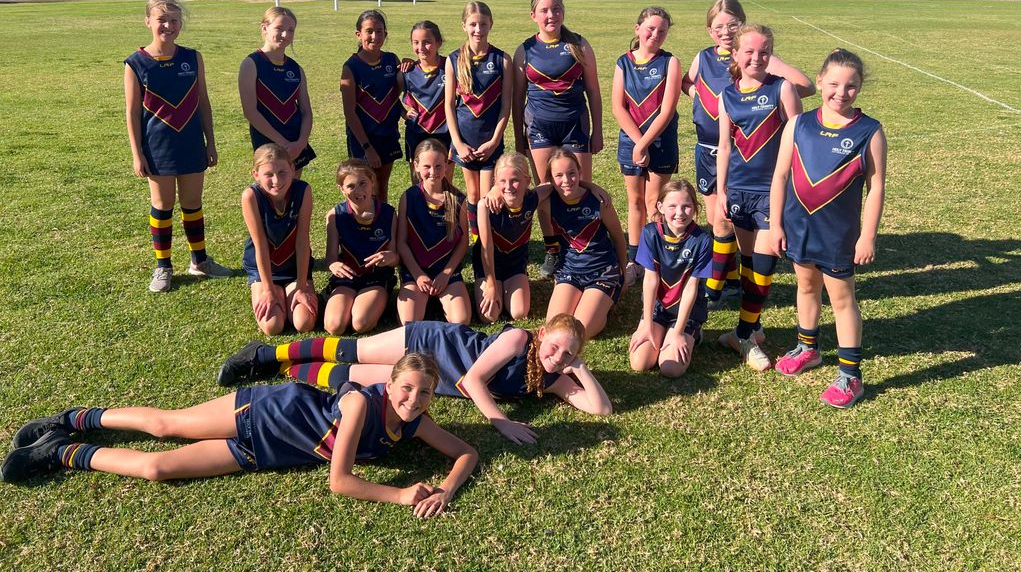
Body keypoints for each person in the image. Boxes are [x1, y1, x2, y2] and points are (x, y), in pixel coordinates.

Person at [2, 354, 477, 518]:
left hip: (265, 453)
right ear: (389, 385)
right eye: (406, 388)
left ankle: (60, 451)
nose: (414, 399)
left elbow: (467, 453)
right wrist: (399, 494)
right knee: (167, 425)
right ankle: (74, 418)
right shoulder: (359, 405)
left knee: (157, 468)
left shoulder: (416, 421)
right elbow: (340, 482)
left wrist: (446, 489)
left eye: (424, 393)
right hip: (261, 413)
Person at [216, 312, 612, 445]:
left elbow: (601, 409)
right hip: (434, 343)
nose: (557, 357)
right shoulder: (517, 340)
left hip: (435, 378)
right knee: (353, 350)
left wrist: (579, 368)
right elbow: (473, 381)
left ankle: (284, 369)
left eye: (568, 354)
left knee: (347, 375)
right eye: (555, 347)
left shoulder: (554, 377)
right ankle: (265, 354)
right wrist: (501, 422)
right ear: (541, 333)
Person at [768, 49, 887, 409]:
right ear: (819, 81)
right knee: (806, 286)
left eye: (851, 86)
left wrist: (867, 236)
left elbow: (876, 187)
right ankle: (808, 348)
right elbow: (780, 176)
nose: (841, 92)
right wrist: (775, 225)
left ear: (859, 87)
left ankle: (851, 375)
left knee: (842, 299)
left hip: (838, 235)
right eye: (834, 84)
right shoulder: (798, 124)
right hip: (799, 226)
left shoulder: (869, 131)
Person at [683, 0, 814, 306]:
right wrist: (698, 96)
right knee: (720, 220)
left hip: (754, 164)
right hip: (712, 152)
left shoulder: (760, 59)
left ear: (741, 25)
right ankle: (727, 281)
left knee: (732, 226)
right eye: (719, 26)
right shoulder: (704, 58)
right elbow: (689, 84)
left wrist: (772, 98)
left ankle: (725, 288)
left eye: (732, 25)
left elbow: (804, 87)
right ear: (710, 30)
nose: (726, 31)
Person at [123, 0, 231, 293]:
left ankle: (200, 261)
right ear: (148, 21)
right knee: (162, 206)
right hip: (157, 147)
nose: (168, 26)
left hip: (191, 143)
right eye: (161, 20)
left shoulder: (192, 57)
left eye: (174, 20)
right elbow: (132, 113)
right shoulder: (136, 63)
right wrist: (137, 153)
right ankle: (163, 267)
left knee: (193, 204)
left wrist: (210, 142)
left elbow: (203, 102)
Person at [715, 25, 802, 371]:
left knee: (765, 264)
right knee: (749, 261)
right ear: (735, 54)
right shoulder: (727, 96)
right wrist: (722, 190)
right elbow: (724, 146)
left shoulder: (782, 88)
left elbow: (800, 140)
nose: (757, 58)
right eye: (749, 52)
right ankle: (752, 326)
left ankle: (742, 334)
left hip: (772, 191)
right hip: (739, 188)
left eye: (764, 51)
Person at [513, 0, 604, 279]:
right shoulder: (524, 50)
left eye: (556, 9)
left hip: (575, 125)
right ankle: (553, 250)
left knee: (580, 187)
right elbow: (517, 98)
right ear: (533, 16)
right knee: (546, 190)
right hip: (540, 128)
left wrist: (598, 131)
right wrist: (519, 138)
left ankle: (583, 245)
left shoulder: (578, 44)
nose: (551, 15)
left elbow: (593, 91)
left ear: (563, 12)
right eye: (544, 10)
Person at [610, 6, 682, 288]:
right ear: (637, 29)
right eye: (650, 29)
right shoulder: (623, 62)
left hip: (660, 141)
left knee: (654, 203)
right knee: (635, 201)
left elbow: (667, 110)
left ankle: (655, 260)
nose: (655, 35)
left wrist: (644, 143)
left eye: (662, 31)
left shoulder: (670, 62)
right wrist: (637, 143)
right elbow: (618, 107)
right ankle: (634, 261)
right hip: (631, 141)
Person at [628, 180, 712, 377]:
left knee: (670, 369)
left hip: (687, 312)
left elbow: (691, 287)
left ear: (695, 208)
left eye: (686, 206)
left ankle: (691, 332)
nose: (679, 213)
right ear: (660, 207)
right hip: (658, 308)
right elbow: (650, 280)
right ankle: (660, 329)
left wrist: (679, 332)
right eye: (672, 206)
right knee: (640, 363)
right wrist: (647, 324)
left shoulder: (702, 240)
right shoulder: (650, 233)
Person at [445, 2, 513, 245]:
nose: (478, 29)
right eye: (473, 24)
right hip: (465, 142)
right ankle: (477, 239)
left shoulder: (502, 59)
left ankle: (491, 240)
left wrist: (494, 141)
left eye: (483, 24)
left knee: (489, 196)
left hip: (490, 143)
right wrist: (458, 144)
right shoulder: (453, 59)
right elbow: (449, 107)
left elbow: (506, 106)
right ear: (464, 25)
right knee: (473, 194)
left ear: (490, 25)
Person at [542, 149, 627, 339]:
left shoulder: (598, 200)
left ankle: (602, 311)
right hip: (570, 272)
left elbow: (618, 238)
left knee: (578, 332)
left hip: (602, 273)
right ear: (550, 179)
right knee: (553, 329)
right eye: (559, 175)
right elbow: (522, 196)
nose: (566, 180)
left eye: (572, 173)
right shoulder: (546, 202)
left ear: (580, 172)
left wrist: (623, 272)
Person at [242, 144, 317, 335]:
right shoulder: (251, 196)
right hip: (265, 269)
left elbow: (302, 241)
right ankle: (273, 290)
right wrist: (268, 290)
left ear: (292, 168)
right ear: (256, 174)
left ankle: (290, 292)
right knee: (273, 326)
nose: (276, 180)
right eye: (269, 174)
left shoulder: (303, 191)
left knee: (304, 323)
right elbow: (260, 246)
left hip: (294, 268)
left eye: (282, 172)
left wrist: (301, 286)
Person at [396, 139, 472, 325]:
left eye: (438, 166)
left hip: (446, 271)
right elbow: (401, 242)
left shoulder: (458, 199)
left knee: (461, 321)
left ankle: (439, 299)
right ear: (416, 166)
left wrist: (446, 273)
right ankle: (423, 300)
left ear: (446, 165)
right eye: (427, 166)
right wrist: (418, 274)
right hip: (416, 270)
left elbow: (463, 242)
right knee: (409, 323)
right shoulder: (409, 197)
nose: (433, 172)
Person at [238, 6, 315, 178]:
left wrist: (301, 143)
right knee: (272, 189)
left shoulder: (296, 68)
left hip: (295, 143)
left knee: (293, 189)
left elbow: (306, 111)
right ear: (265, 28)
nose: (285, 34)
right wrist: (283, 144)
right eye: (279, 28)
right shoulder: (251, 64)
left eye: (291, 30)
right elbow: (250, 112)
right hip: (267, 143)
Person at [324, 159, 398, 335]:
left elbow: (396, 257)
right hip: (347, 278)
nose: (358, 191)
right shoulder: (335, 215)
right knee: (334, 326)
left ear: (372, 182)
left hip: (376, 278)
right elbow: (330, 259)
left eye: (363, 183)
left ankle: (379, 298)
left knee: (360, 323)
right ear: (341, 189)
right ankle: (333, 297)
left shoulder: (388, 213)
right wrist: (334, 265)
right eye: (350, 186)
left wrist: (390, 258)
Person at [341, 10, 402, 204]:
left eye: (379, 31)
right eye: (369, 31)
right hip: (363, 140)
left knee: (382, 187)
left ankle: (381, 223)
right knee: (365, 189)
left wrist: (408, 66)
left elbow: (393, 97)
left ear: (386, 34)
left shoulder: (392, 60)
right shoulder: (351, 67)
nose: (374, 36)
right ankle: (362, 223)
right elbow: (350, 112)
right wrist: (367, 147)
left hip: (387, 134)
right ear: (358, 34)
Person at [474, 153, 538, 324]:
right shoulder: (485, 206)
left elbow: (555, 185)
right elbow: (486, 248)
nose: (508, 187)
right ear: (495, 181)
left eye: (515, 180)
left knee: (519, 312)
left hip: (514, 264)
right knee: (489, 316)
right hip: (489, 266)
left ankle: (508, 284)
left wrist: (590, 186)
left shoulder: (532, 198)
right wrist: (491, 285)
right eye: (502, 181)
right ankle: (495, 284)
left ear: (527, 181)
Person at [399, 21, 452, 181]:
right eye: (416, 42)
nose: (421, 47)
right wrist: (404, 113)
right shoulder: (406, 71)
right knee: (418, 183)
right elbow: (390, 98)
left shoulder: (450, 66)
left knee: (444, 183)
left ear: (439, 42)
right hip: (417, 132)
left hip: (445, 132)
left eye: (427, 42)